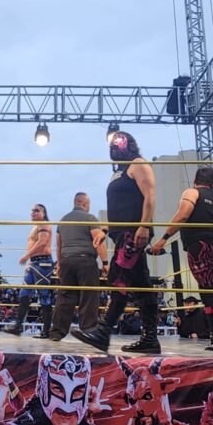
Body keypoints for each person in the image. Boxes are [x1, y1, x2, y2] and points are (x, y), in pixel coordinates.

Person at [72, 131, 158, 354]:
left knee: (118, 278)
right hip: (122, 233)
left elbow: (149, 195)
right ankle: (150, 339)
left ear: (129, 143)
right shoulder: (121, 172)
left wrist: (144, 226)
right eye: (111, 144)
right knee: (143, 288)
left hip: (133, 233)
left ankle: (103, 332)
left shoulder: (138, 164)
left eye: (118, 142)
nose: (113, 147)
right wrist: (105, 228)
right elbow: (123, 207)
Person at [148, 166, 213, 351]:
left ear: (196, 180)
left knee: (210, 290)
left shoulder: (192, 192)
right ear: (212, 183)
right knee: (207, 289)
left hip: (200, 245)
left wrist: (163, 239)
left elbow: (183, 215)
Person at [49, 192, 108, 341]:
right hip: (85, 261)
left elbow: (59, 245)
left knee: (65, 297)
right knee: (89, 297)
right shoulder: (90, 218)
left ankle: (57, 332)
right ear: (85, 203)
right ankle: (88, 330)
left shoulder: (63, 220)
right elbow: (98, 240)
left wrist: (60, 263)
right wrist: (105, 263)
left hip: (67, 261)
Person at [3, 204, 54, 337]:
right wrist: (29, 260)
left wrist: (26, 256)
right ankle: (18, 326)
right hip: (35, 263)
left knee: (43, 296)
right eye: (32, 211)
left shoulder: (44, 225)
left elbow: (42, 242)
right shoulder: (36, 227)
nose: (33, 213)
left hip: (43, 263)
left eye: (37, 211)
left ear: (44, 213)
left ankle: (47, 330)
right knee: (24, 294)